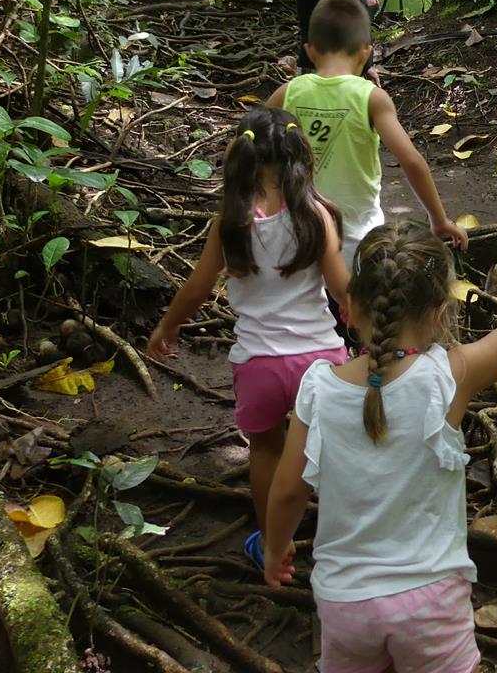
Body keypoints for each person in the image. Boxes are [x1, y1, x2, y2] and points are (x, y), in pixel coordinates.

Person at [262, 220, 497, 673]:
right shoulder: (447, 377)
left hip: (346, 602)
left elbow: (286, 491)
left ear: (349, 307)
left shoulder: (318, 389)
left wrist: (274, 548)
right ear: (440, 312)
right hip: (431, 603)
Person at [145, 108, 350, 570]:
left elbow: (198, 286)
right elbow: (340, 289)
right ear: (301, 157)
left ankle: (271, 540)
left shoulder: (232, 220)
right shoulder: (318, 215)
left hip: (259, 364)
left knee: (266, 450)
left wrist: (169, 324)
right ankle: (342, 537)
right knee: (331, 450)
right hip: (322, 360)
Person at [269, 0, 469, 268]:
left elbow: (249, 143)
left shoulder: (287, 93)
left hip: (297, 238)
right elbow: (411, 160)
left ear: (310, 51)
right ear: (367, 52)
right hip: (356, 244)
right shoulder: (372, 98)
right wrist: (439, 219)